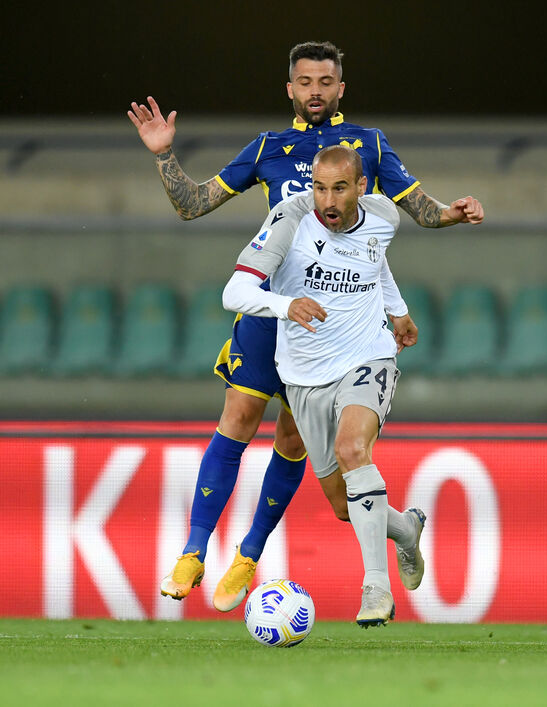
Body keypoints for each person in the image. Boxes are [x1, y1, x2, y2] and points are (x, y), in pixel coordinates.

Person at [127, 40, 484, 612]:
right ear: (289, 89)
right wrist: (164, 156)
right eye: (304, 81)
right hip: (274, 310)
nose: (315, 91)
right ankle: (194, 550)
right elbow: (192, 204)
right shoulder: (269, 147)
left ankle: (249, 553)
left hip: (333, 327)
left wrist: (452, 215)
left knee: (300, 451)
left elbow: (415, 213)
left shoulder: (367, 145)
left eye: (325, 81)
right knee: (238, 417)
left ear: (341, 88)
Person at [222, 144, 419, 626]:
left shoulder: (384, 216)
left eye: (338, 188)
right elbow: (235, 292)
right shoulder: (289, 220)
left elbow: (374, 258)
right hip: (304, 376)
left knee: (354, 450)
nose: (326, 200)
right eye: (318, 187)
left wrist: (396, 310)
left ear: (362, 188)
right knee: (342, 504)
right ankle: (407, 529)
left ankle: (376, 587)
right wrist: (287, 305)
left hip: (368, 355)